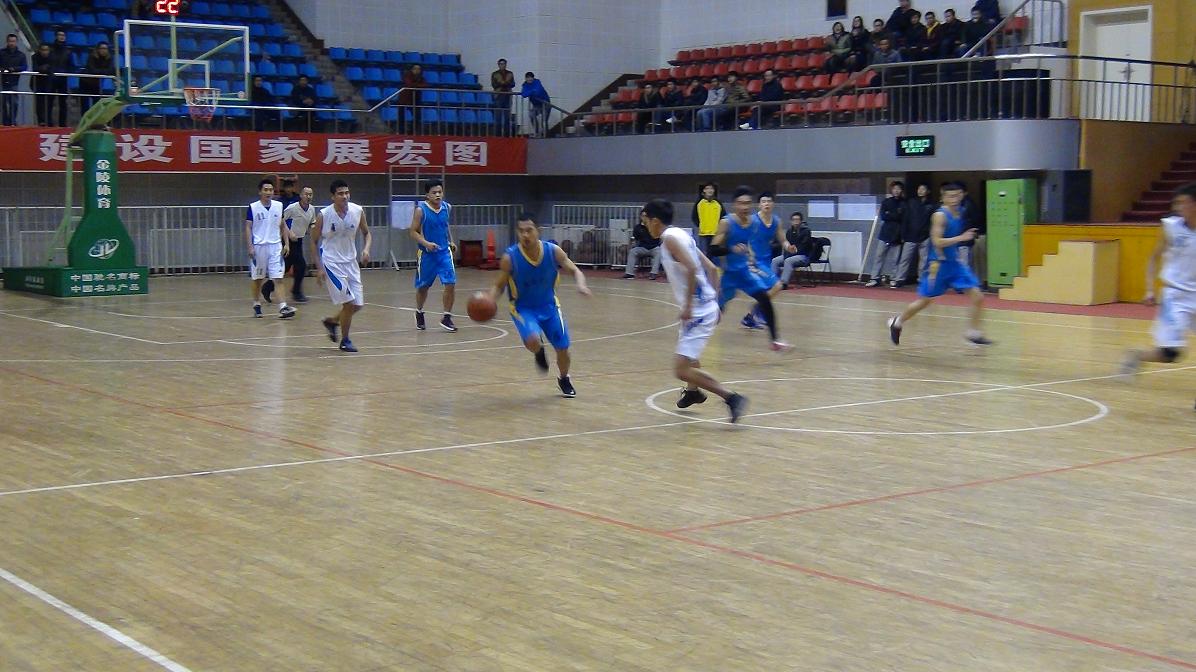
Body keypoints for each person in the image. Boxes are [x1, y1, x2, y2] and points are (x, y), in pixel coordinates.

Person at [642, 198, 749, 423]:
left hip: (698, 311)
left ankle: (732, 398)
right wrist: (716, 303)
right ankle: (693, 392)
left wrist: (690, 305)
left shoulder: (670, 239)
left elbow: (692, 268)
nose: (645, 225)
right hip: (704, 307)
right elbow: (710, 267)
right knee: (690, 359)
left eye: (645, 221)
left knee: (681, 369)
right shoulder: (681, 234)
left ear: (655, 221)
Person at [487, 212, 590, 397]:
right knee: (533, 339)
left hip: (550, 306)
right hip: (523, 308)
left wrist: (581, 284)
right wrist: (489, 301)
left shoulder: (553, 251)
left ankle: (564, 378)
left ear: (538, 231)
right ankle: (538, 351)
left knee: (563, 348)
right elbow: (499, 285)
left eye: (529, 230)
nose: (525, 235)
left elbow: (575, 270)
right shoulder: (510, 257)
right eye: (521, 231)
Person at [887, 182, 993, 347]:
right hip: (938, 265)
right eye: (951, 196)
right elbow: (937, 241)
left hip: (954, 263)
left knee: (977, 296)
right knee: (925, 301)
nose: (955, 199)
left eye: (957, 195)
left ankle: (973, 333)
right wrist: (961, 238)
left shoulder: (961, 212)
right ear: (943, 197)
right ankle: (897, 322)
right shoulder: (939, 215)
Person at [1119, 183, 1196, 409]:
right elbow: (1153, 258)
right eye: (1176, 203)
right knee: (1171, 354)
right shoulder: (1171, 228)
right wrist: (1149, 289)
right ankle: (1137, 355)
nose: (1178, 207)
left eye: (1182, 203)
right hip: (1175, 296)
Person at [709, 185, 792, 351]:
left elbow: (751, 244)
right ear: (735, 204)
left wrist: (751, 256)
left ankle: (775, 340)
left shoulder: (753, 223)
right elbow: (712, 250)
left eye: (748, 203)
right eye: (741, 203)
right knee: (716, 312)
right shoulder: (726, 223)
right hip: (730, 274)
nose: (745, 207)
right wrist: (731, 249)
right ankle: (697, 331)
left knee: (765, 299)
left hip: (746, 272)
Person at [312, 179, 372, 353]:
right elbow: (313, 242)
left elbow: (367, 233)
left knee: (357, 305)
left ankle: (332, 321)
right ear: (333, 196)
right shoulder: (323, 215)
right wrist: (319, 267)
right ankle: (345, 340)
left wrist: (366, 249)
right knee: (349, 302)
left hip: (351, 262)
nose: (344, 196)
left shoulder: (357, 211)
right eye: (340, 193)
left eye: (346, 193)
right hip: (331, 263)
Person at [410, 179, 458, 333]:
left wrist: (451, 240)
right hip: (427, 254)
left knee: (450, 283)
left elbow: (445, 225)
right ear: (427, 195)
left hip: (444, 253)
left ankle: (447, 317)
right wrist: (426, 243)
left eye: (440, 192)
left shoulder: (447, 207)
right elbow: (413, 232)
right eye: (434, 192)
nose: (438, 195)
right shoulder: (421, 210)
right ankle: (419, 311)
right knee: (423, 287)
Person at [742, 191, 795, 328]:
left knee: (768, 290)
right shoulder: (752, 220)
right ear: (759, 205)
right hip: (754, 261)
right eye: (764, 201)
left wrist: (788, 247)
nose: (766, 204)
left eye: (769, 201)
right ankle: (757, 311)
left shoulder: (776, 221)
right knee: (777, 286)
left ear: (773, 204)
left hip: (766, 260)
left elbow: (782, 240)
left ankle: (750, 316)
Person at [244, 179, 296, 319]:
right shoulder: (253, 207)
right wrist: (250, 246)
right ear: (260, 191)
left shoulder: (278, 206)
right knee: (258, 278)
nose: (268, 192)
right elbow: (248, 227)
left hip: (275, 247)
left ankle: (283, 307)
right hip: (259, 247)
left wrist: (286, 243)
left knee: (278, 277)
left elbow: (283, 225)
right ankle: (256, 303)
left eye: (271, 190)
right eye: (265, 190)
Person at [866, 181, 907, 287]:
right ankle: (875, 278)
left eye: (898, 189)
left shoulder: (904, 203)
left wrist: (891, 214)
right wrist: (896, 214)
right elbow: (884, 216)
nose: (896, 191)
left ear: (901, 190)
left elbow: (903, 218)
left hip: (898, 234)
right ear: (891, 190)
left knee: (896, 259)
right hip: (885, 233)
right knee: (879, 256)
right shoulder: (886, 202)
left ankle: (894, 278)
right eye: (894, 188)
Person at [281, 184, 317, 302]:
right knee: (300, 265)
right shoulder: (292, 208)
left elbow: (312, 223)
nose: (308, 196)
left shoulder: (312, 209)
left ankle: (268, 287)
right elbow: (281, 220)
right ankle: (296, 292)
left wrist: (314, 230)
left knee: (287, 267)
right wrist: (289, 232)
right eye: (306, 194)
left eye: (310, 194)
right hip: (288, 240)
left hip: (299, 240)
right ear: (301, 195)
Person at [894, 183, 933, 287]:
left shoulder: (931, 205)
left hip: (925, 236)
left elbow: (932, 221)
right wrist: (903, 234)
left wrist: (929, 233)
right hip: (910, 235)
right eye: (919, 189)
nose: (920, 191)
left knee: (924, 260)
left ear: (928, 191)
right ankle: (900, 279)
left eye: (923, 189)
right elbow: (905, 218)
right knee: (905, 259)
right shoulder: (911, 202)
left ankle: (922, 280)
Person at [772, 211, 813, 290]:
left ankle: (783, 283)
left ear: (801, 221)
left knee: (788, 260)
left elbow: (804, 246)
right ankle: (773, 282)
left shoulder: (806, 231)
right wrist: (787, 253)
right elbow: (787, 245)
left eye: (797, 220)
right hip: (790, 254)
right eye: (794, 220)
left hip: (803, 256)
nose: (795, 222)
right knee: (775, 260)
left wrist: (794, 251)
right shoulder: (789, 231)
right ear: (791, 221)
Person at [78, 41, 112, 116]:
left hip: (96, 83)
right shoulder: (92, 57)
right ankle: (84, 121)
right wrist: (103, 71)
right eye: (102, 48)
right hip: (85, 82)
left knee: (96, 104)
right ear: (98, 49)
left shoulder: (109, 58)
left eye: (106, 48)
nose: (104, 50)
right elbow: (92, 70)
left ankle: (94, 121)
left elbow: (110, 70)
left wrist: (100, 71)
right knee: (85, 105)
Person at [690, 182, 725, 254]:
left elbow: (723, 216)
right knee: (704, 254)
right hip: (703, 234)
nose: (709, 190)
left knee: (715, 254)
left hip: (716, 234)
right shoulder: (699, 203)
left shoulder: (718, 203)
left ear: (714, 190)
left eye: (711, 188)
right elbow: (694, 216)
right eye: (707, 188)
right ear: (704, 190)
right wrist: (701, 225)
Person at [1, 34, 26, 126]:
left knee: (14, 103)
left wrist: (14, 69)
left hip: (14, 82)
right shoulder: (1, 53)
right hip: (2, 81)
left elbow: (24, 67)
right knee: (3, 103)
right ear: (7, 42)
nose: (11, 43)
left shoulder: (21, 55)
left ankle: (12, 121)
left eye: (13, 41)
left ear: (16, 42)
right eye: (10, 41)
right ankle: (5, 122)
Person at [520, 71, 550, 136]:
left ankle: (546, 135)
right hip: (536, 105)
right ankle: (537, 132)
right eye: (528, 78)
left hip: (545, 103)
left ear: (533, 78)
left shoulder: (537, 82)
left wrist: (529, 92)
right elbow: (524, 94)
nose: (529, 79)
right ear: (525, 79)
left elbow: (538, 91)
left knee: (544, 121)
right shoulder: (525, 85)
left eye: (531, 78)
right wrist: (532, 91)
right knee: (531, 115)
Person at [399, 64, 427, 132]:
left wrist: (415, 85)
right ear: (411, 69)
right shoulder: (407, 75)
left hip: (415, 99)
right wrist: (418, 85)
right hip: (405, 98)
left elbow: (425, 85)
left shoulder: (421, 78)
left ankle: (412, 131)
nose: (417, 70)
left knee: (417, 116)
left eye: (419, 69)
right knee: (401, 116)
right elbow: (409, 84)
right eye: (415, 69)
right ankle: (401, 131)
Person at [490, 58, 515, 133]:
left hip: (508, 95)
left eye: (503, 64)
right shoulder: (495, 74)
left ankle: (506, 134)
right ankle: (498, 134)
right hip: (498, 96)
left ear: (505, 64)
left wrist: (502, 83)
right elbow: (494, 85)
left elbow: (513, 84)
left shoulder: (510, 73)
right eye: (501, 64)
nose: (502, 65)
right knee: (498, 116)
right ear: (498, 65)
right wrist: (505, 83)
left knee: (507, 116)